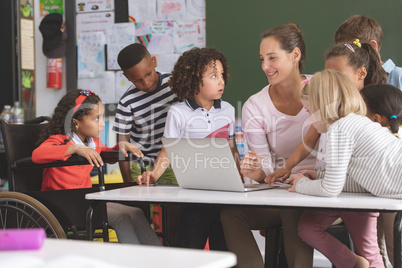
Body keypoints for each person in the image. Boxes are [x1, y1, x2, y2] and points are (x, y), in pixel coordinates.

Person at [220, 23, 316, 268]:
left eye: (272, 58)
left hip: (327, 189)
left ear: (295, 55)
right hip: (285, 192)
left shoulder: (322, 89)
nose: (265, 67)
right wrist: (259, 173)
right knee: (232, 214)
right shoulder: (255, 106)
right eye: (262, 59)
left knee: (292, 208)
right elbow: (266, 171)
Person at [292, 70, 402, 267]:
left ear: (320, 106)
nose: (308, 119)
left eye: (309, 111)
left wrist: (300, 184)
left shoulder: (340, 129)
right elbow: (364, 182)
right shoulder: (352, 123)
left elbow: (330, 190)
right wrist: (318, 176)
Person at [137, 47, 238, 251]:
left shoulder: (228, 110)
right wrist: (155, 174)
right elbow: (168, 150)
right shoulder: (178, 112)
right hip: (194, 197)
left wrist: (240, 181)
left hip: (225, 196)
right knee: (188, 251)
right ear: (193, 79)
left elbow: (232, 149)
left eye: (222, 75)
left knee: (225, 253)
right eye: (213, 76)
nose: (221, 81)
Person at [32, 89, 162, 246]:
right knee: (121, 218)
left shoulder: (92, 142)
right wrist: (75, 149)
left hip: (86, 200)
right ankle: (134, 261)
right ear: (76, 122)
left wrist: (120, 146)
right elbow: (37, 155)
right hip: (64, 204)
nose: (102, 123)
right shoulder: (60, 140)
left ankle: (157, 256)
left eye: (101, 117)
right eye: (96, 118)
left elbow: (105, 153)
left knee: (136, 212)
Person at [267, 39, 387, 182]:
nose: (331, 81)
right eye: (327, 74)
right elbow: (309, 141)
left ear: (361, 73)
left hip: (346, 181)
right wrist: (287, 167)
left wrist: (327, 176)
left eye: (338, 75)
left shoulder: (368, 108)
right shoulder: (329, 106)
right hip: (330, 179)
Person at [113, 43, 179, 183]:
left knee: (176, 202)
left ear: (154, 61)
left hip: (175, 162)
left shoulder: (175, 85)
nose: (146, 83)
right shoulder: (127, 102)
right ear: (126, 76)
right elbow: (122, 145)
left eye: (148, 74)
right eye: (137, 80)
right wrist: (127, 182)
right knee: (146, 204)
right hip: (142, 166)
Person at [360, 84, 402, 265]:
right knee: (383, 244)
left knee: (392, 247)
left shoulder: (377, 142)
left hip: (392, 199)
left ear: (376, 119)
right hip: (384, 198)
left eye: (358, 111)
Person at [334, 15, 402, 90]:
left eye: (350, 50)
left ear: (372, 46)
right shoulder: (349, 80)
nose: (344, 57)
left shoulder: (399, 77)